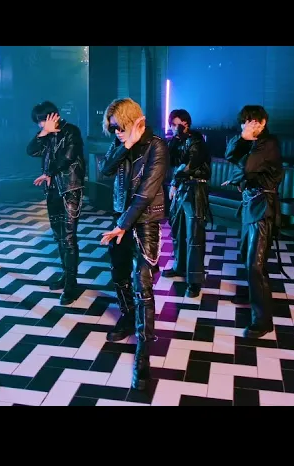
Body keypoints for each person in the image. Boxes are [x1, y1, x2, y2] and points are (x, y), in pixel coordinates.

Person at [99, 98, 169, 391]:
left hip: (145, 221)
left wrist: (122, 226)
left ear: (132, 120)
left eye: (119, 127)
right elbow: (105, 169)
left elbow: (145, 194)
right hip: (121, 219)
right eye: (112, 128)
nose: (116, 132)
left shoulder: (157, 146)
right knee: (119, 274)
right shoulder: (121, 143)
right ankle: (128, 317)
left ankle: (143, 349)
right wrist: (125, 145)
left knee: (142, 282)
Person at [222, 105, 284, 339]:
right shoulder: (251, 141)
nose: (248, 126)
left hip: (263, 207)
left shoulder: (268, 143)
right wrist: (243, 138)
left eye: (253, 122)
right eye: (245, 122)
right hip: (250, 205)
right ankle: (253, 295)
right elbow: (230, 155)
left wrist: (239, 173)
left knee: (256, 264)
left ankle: (263, 320)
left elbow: (247, 168)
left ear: (263, 122)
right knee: (246, 255)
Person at [27, 101, 85, 305]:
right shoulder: (46, 134)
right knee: (59, 236)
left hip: (70, 189)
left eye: (42, 120)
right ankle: (66, 275)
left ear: (54, 116)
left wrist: (49, 172)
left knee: (68, 237)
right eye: (38, 122)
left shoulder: (71, 131)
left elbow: (67, 157)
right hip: (52, 190)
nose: (40, 125)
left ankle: (72, 284)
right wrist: (44, 133)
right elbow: (31, 151)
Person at [162, 109, 211, 298]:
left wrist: (174, 182)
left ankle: (194, 281)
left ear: (186, 124)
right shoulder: (178, 141)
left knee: (194, 236)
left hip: (195, 189)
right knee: (178, 230)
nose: (174, 128)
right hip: (181, 189)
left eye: (178, 124)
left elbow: (188, 165)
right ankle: (179, 267)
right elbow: (170, 160)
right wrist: (175, 140)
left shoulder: (196, 141)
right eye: (172, 124)